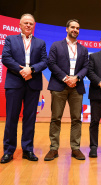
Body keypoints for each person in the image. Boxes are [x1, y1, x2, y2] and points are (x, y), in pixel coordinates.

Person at [1, 14, 47, 163]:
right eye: (25, 23)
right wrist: (22, 71)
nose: (28, 25)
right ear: (20, 25)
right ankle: (8, 151)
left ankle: (27, 149)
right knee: (11, 118)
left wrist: (31, 70)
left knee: (30, 118)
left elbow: (44, 61)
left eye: (31, 23)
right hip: (14, 83)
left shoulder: (40, 42)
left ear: (34, 26)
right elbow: (6, 58)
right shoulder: (10, 39)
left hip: (33, 85)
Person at [44, 19, 88, 161]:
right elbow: (51, 63)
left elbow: (86, 67)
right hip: (59, 86)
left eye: (77, 28)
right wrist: (65, 78)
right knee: (56, 118)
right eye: (73, 27)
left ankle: (75, 148)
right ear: (67, 29)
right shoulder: (56, 45)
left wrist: (76, 78)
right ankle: (53, 148)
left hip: (77, 87)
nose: (75, 30)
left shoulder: (83, 49)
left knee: (77, 119)